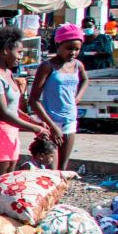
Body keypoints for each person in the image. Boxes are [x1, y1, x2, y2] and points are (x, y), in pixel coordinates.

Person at [0, 26, 55, 188]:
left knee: (5, 182)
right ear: (6, 50)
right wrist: (35, 128)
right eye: (18, 52)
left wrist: (33, 121)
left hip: (10, 132)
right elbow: (3, 113)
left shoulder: (7, 74)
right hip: (0, 132)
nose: (20, 57)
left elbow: (13, 109)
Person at [28, 23, 89, 171]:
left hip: (69, 120)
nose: (73, 53)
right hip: (51, 121)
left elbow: (85, 80)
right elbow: (33, 100)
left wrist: (77, 98)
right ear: (58, 44)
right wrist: (51, 125)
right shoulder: (47, 67)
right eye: (69, 48)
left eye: (77, 49)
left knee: (62, 166)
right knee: (50, 166)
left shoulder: (77, 65)